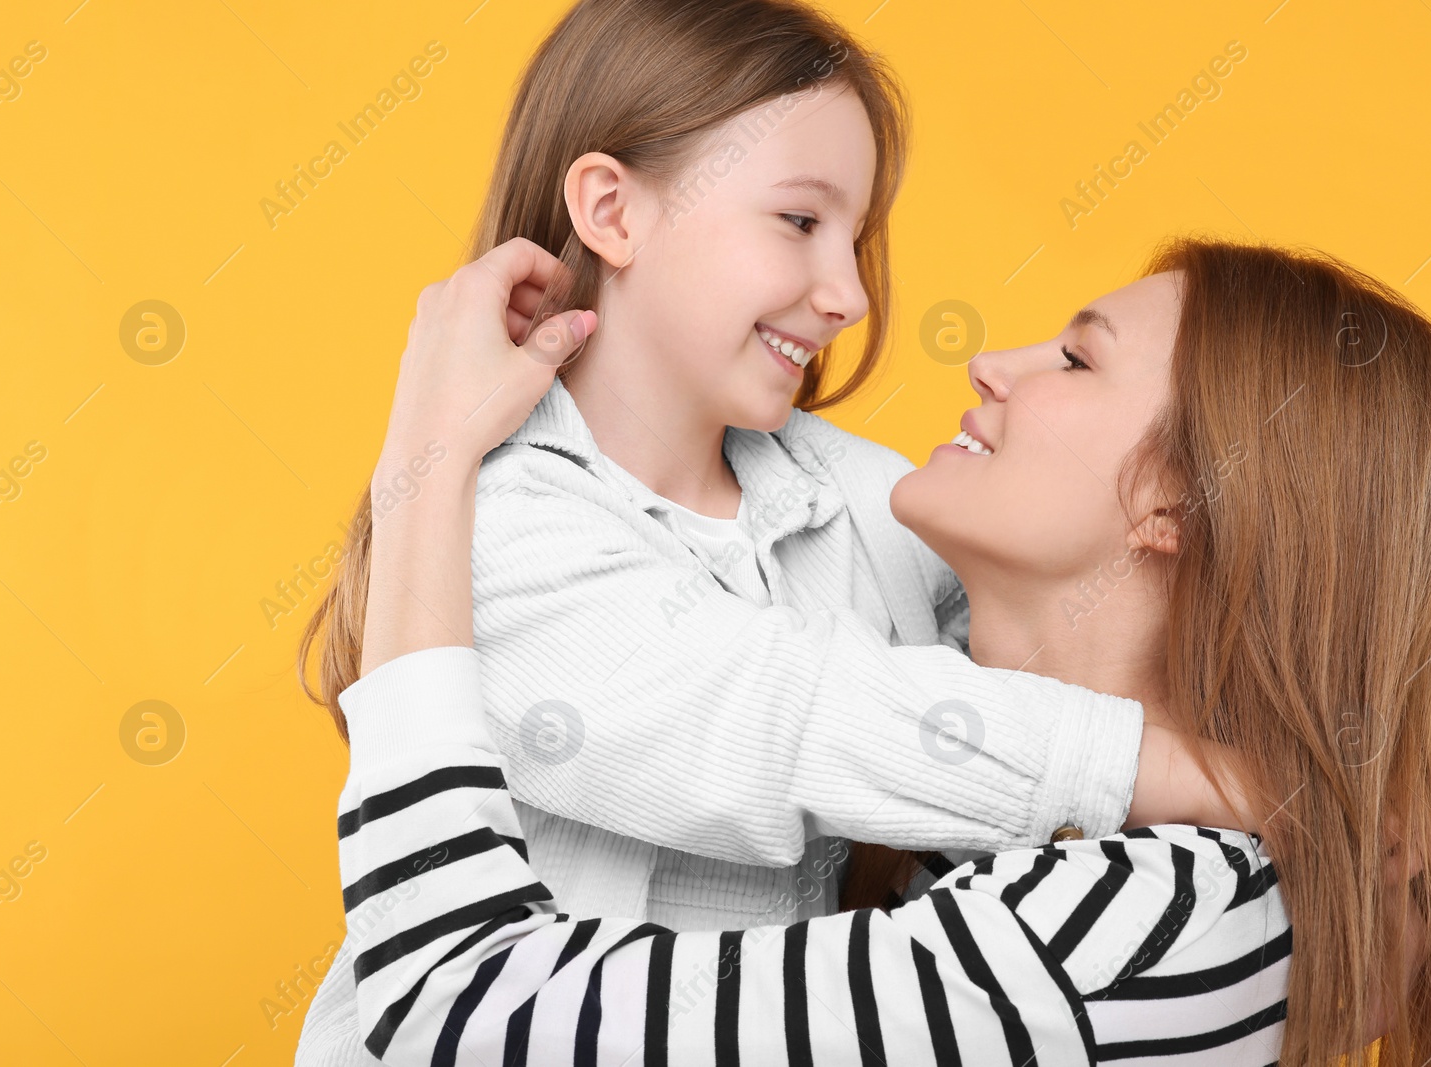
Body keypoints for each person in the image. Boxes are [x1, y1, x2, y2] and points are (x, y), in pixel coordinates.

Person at [297, 3, 1246, 1062]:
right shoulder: (498, 523)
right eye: (799, 221)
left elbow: (1053, 630)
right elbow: (781, 715)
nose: (844, 293)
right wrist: (1175, 771)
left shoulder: (858, 498)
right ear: (614, 211)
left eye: (857, 238)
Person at [329, 235, 1431, 1064]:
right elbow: (810, 695)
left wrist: (424, 463)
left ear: (1178, 509)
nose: (995, 363)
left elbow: (456, 1006)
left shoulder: (1119, 924)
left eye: (1076, 360)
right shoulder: (1083, 845)